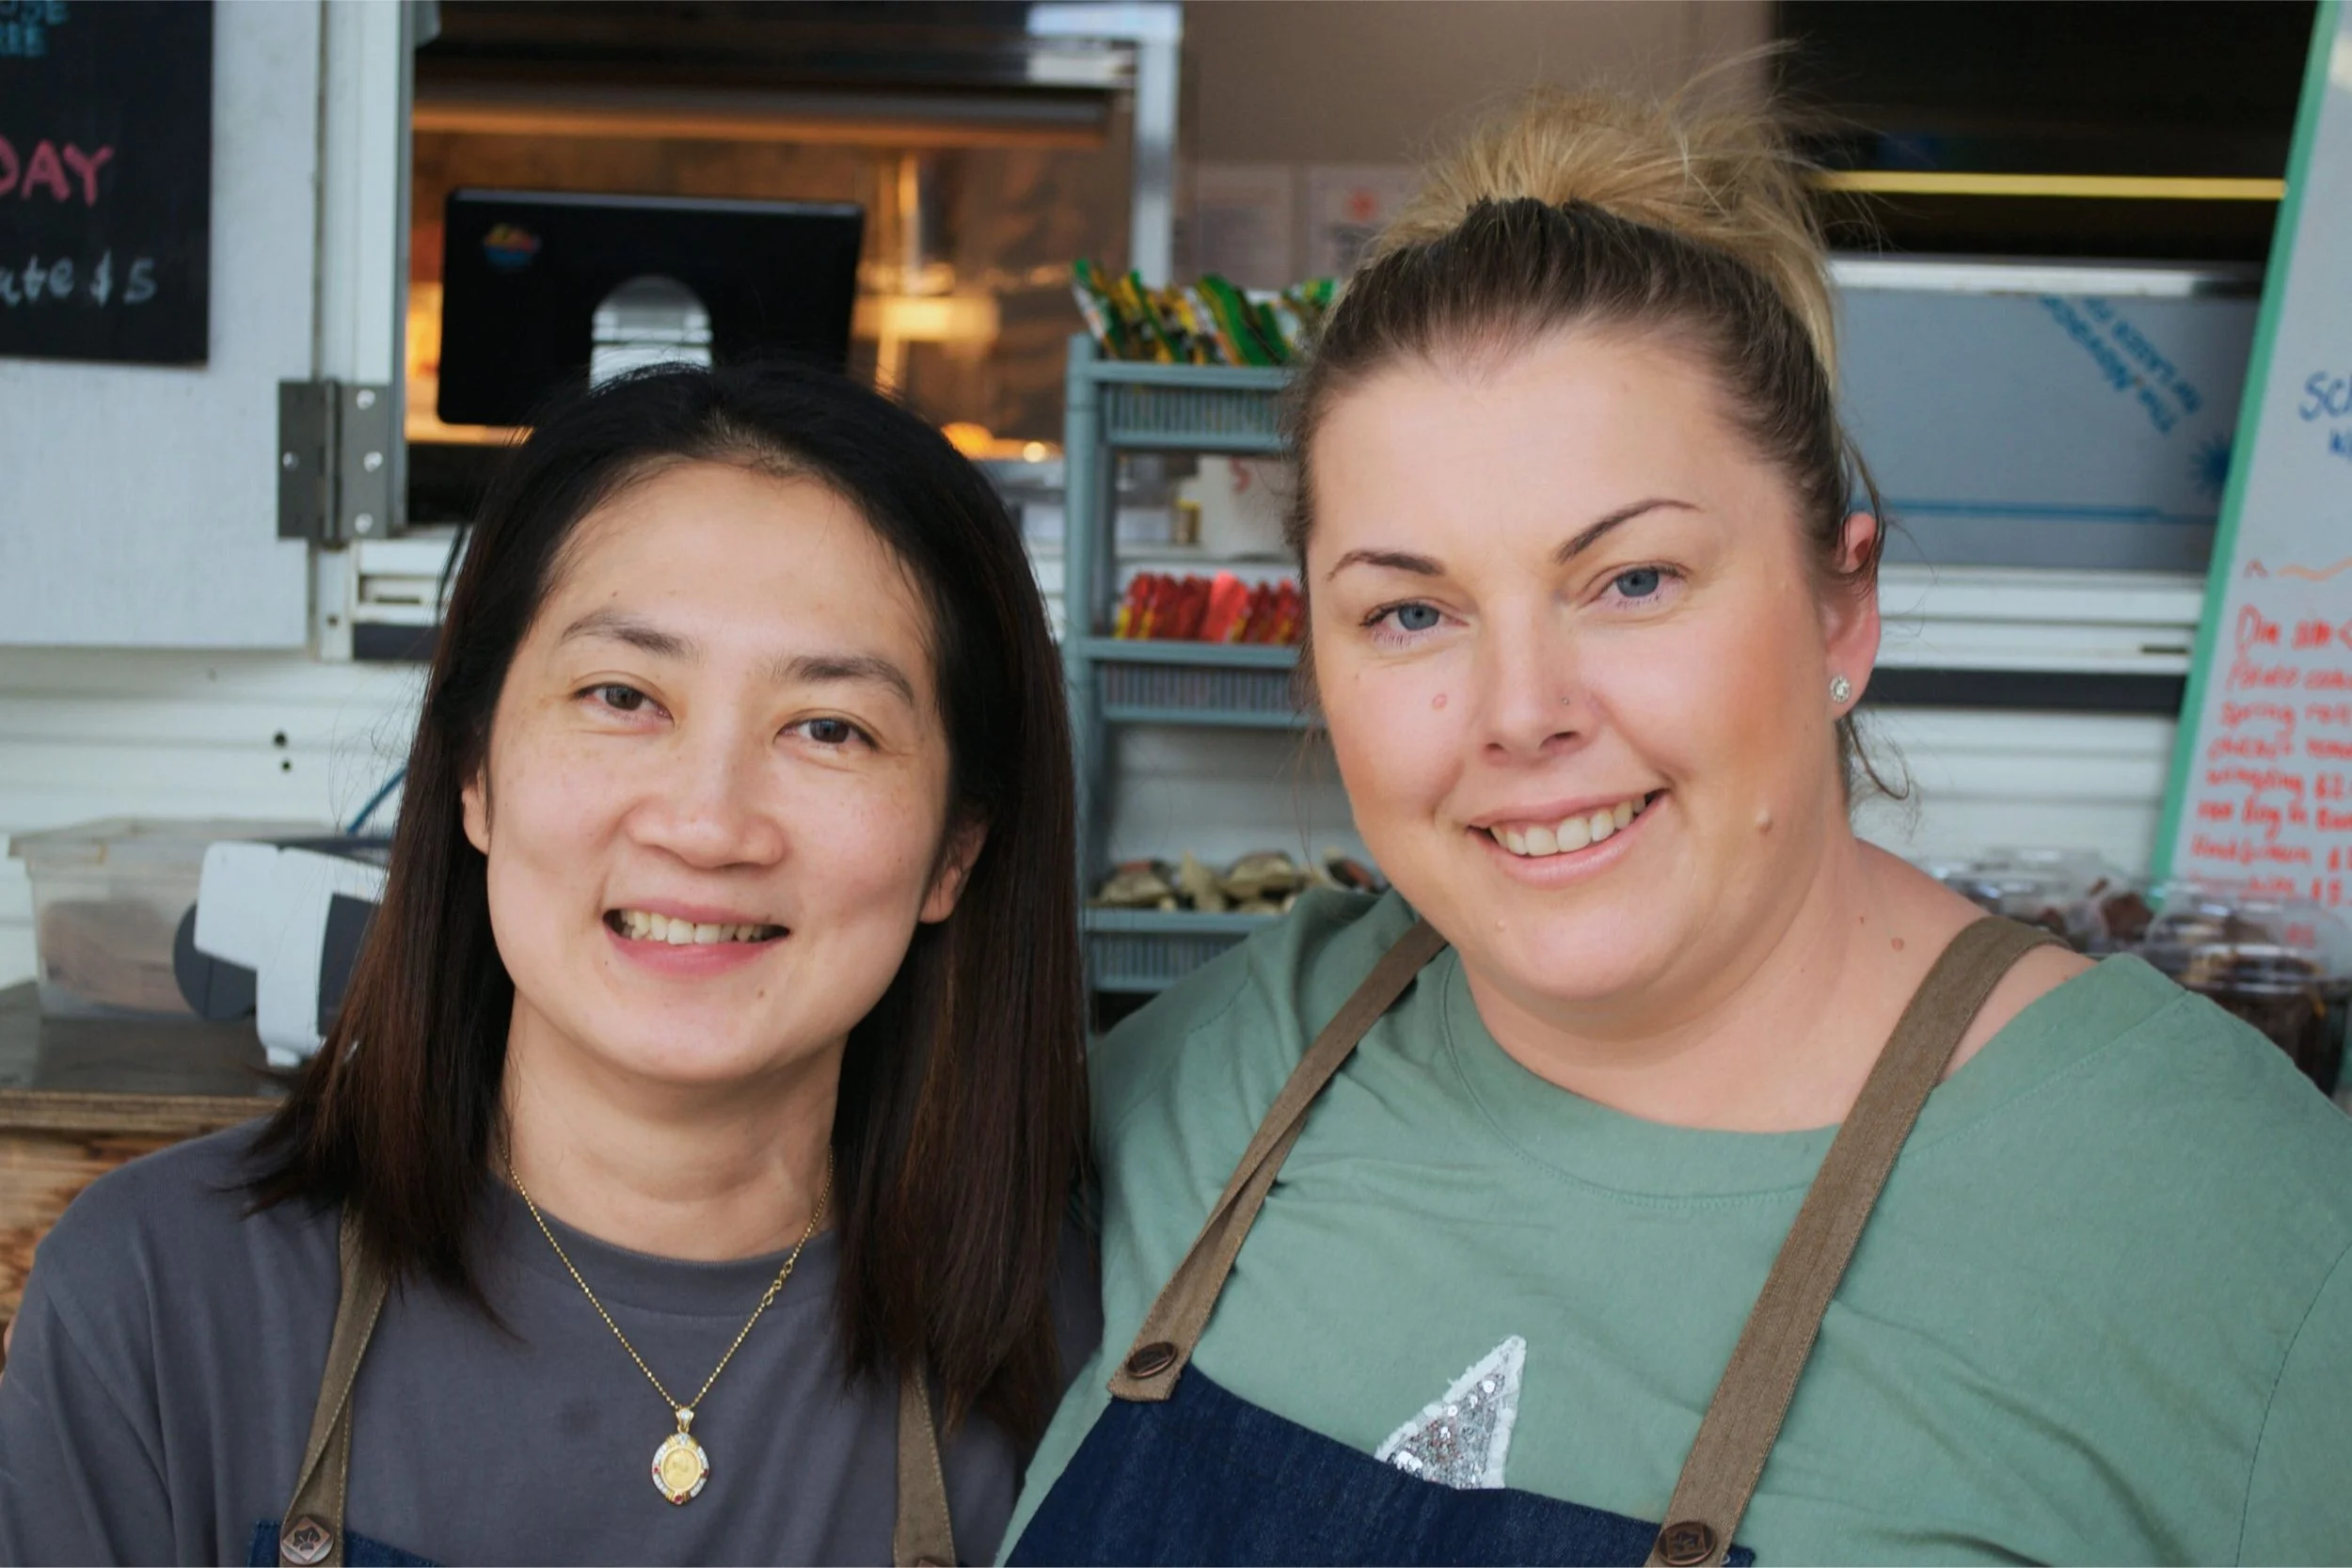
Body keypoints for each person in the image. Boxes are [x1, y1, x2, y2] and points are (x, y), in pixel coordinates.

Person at [1005, 86, 2352, 1566]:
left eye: (1633, 579)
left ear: (1843, 600)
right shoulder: (1218, 1076)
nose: (1523, 709)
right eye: (1410, 610)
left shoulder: (2238, 1230)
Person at [0, 363, 1095, 1565]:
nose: (707, 822)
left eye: (827, 727)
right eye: (622, 694)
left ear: (956, 849)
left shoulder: (1082, 1338)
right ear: (474, 770)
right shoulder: (163, 1296)